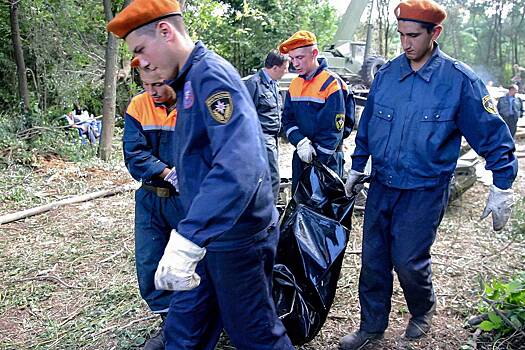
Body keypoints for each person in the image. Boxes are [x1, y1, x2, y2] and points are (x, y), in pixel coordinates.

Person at [107, 1, 294, 349]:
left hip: (237, 236)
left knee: (255, 335)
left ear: (165, 31)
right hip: (209, 234)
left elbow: (239, 166)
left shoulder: (211, 78)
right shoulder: (188, 82)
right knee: (184, 327)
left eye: (141, 50)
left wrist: (189, 238)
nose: (142, 63)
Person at [341, 1, 518, 349]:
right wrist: (358, 165)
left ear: (434, 33)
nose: (406, 43)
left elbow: (493, 134)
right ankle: (371, 328)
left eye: (413, 36)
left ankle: (422, 308)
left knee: (407, 260)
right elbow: (369, 128)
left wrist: (502, 185)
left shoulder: (459, 81)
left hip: (424, 189)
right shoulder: (388, 76)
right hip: (382, 185)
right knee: (373, 261)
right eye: (401, 35)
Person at [123, 59, 184, 350]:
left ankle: (198, 319)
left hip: (186, 199)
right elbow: (134, 153)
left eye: (158, 84)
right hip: (150, 197)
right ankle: (169, 324)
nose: (153, 92)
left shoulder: (192, 103)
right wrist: (166, 172)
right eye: (146, 85)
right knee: (150, 261)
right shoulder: (138, 106)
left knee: (192, 259)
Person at [279, 31, 348, 191]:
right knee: (301, 207)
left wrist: (317, 162)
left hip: (327, 160)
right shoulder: (295, 85)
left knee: (324, 212)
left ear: (314, 53)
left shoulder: (331, 84)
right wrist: (300, 142)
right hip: (302, 156)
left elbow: (333, 131)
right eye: (292, 59)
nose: (295, 63)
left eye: (300, 58)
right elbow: (288, 120)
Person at [244, 50, 289, 202]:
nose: (287, 71)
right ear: (275, 67)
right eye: (285, 67)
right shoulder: (253, 84)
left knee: (267, 177)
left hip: (273, 137)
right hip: (261, 137)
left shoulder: (274, 84)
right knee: (273, 177)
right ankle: (270, 215)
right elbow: (245, 116)